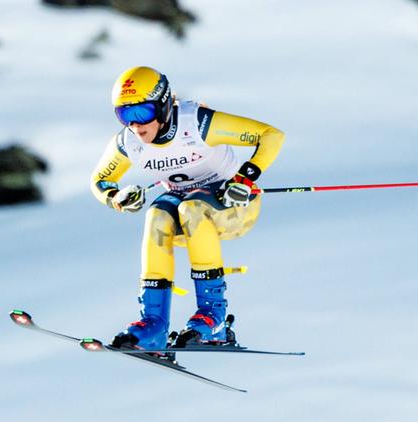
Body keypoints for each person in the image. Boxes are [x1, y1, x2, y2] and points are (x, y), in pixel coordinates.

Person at [90, 66, 285, 350]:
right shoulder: (128, 142)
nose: (135, 125)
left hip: (234, 208)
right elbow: (100, 179)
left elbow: (271, 135)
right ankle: (153, 324)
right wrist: (115, 196)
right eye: (124, 115)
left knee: (191, 208)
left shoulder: (197, 123)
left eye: (141, 112)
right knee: (157, 215)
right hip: (187, 213)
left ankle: (213, 318)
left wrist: (245, 177)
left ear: (164, 104)